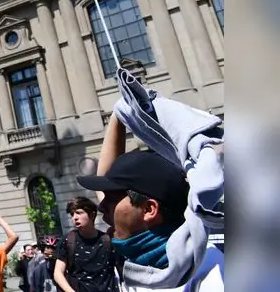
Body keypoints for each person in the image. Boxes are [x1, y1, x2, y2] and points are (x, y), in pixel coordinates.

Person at [77, 116, 224, 292]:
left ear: (149, 210)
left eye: (112, 199)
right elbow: (105, 178)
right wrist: (119, 115)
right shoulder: (140, 258)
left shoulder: (209, 271)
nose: (101, 207)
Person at [53, 197, 116, 292]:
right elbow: (58, 273)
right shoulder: (68, 240)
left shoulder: (107, 240)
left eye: (79, 212)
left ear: (92, 215)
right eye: (72, 214)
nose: (74, 217)